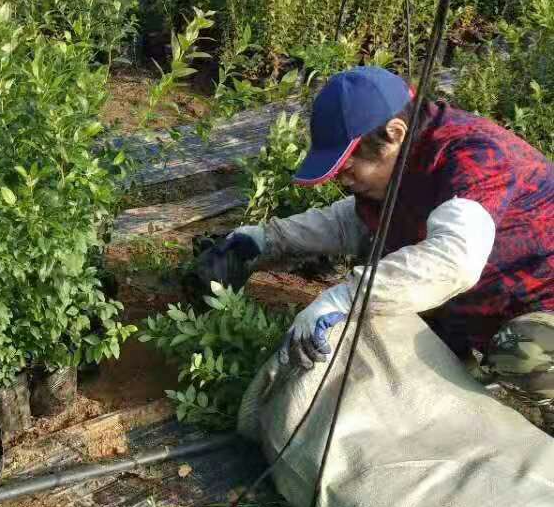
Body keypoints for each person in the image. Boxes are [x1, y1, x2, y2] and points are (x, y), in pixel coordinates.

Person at [199, 65, 554, 422]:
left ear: (394, 134)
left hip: (541, 306)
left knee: (524, 351)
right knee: (396, 340)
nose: (343, 181)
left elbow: (455, 261)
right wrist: (262, 241)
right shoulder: (403, 160)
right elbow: (352, 222)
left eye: (349, 170)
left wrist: (343, 297)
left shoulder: (476, 158)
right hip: (485, 301)